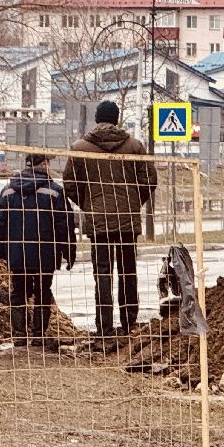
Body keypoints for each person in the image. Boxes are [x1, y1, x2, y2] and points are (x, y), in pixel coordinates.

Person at [63, 101, 158, 340]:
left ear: (96, 119)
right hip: (127, 218)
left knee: (102, 273)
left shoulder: (80, 147)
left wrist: (88, 205)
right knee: (128, 271)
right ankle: (129, 323)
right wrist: (134, 203)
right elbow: (149, 179)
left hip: (98, 221)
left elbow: (70, 184)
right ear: (117, 118)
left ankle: (104, 327)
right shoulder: (135, 146)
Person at [0, 153, 75, 345]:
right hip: (44, 253)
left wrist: (1, 249)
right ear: (44, 164)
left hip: (17, 253)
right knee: (42, 291)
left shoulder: (8, 191)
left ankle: (19, 335)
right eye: (48, 162)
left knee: (18, 291)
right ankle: (38, 335)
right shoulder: (54, 191)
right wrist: (68, 252)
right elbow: (64, 224)